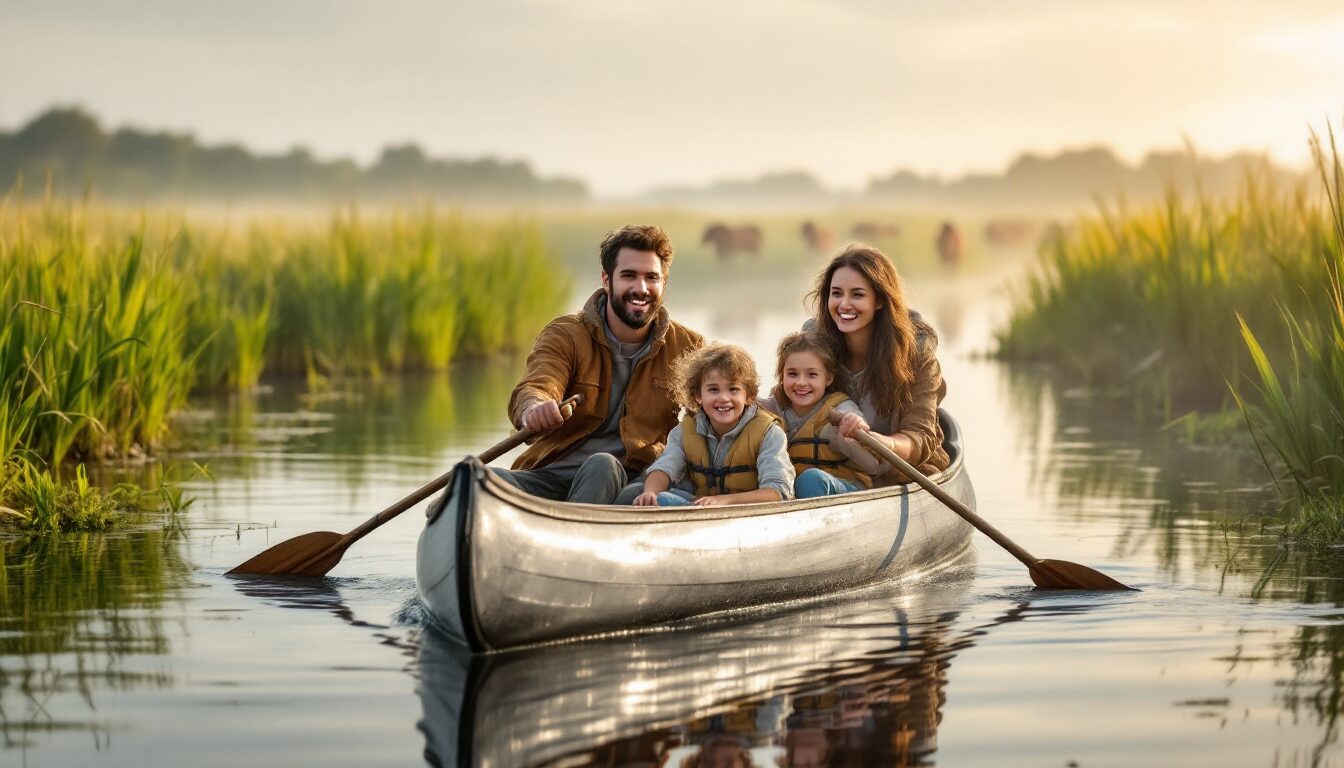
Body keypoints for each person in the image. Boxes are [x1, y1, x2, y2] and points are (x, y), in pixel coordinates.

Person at [498, 224, 704, 504]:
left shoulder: (689, 347)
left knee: (603, 466)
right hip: (552, 475)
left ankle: (580, 525)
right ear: (606, 280)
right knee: (478, 478)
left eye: (651, 277)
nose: (641, 288)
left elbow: (715, 417)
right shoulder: (565, 334)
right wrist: (534, 408)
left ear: (664, 283)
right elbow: (537, 386)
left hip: (636, 481)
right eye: (629, 276)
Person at [807, 244, 950, 485]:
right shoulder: (812, 346)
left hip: (901, 473)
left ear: (880, 300)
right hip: (833, 472)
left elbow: (920, 437)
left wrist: (882, 443)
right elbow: (786, 403)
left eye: (857, 295)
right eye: (837, 293)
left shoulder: (918, 353)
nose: (844, 305)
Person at [632, 343, 794, 507]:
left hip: (748, 511)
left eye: (733, 389)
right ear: (698, 395)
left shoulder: (769, 433)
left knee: (666, 500)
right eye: (713, 390)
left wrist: (722, 501)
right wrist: (650, 492)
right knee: (642, 493)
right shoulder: (684, 431)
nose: (723, 398)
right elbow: (665, 467)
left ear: (748, 396)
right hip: (700, 505)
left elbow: (777, 492)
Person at [759, 331, 884, 498]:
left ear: (829, 378)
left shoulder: (840, 408)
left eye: (812, 374)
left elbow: (873, 465)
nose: (801, 382)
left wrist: (854, 423)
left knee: (811, 479)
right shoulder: (771, 408)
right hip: (793, 493)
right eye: (792, 374)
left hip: (844, 488)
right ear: (782, 376)